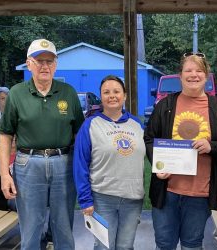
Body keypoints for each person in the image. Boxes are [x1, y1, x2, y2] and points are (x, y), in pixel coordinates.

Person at [144, 52, 217, 250]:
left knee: (192, 245)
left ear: (206, 75)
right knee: (164, 245)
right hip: (167, 190)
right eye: (188, 70)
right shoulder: (165, 106)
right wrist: (158, 164)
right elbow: (149, 139)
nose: (193, 75)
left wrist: (212, 146)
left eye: (199, 70)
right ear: (180, 75)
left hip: (200, 192)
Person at [0, 38, 84, 250]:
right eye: (39, 61)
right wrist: (4, 174)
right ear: (29, 64)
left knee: (63, 228)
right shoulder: (16, 93)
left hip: (63, 163)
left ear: (55, 65)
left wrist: (84, 170)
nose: (45, 66)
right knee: (31, 229)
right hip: (28, 165)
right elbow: (5, 135)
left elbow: (81, 136)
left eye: (49, 61)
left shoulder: (68, 93)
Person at [73, 75, 145, 250]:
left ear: (124, 95)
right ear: (101, 97)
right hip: (102, 197)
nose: (112, 95)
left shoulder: (136, 124)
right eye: (106, 92)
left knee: (126, 246)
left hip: (133, 198)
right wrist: (85, 200)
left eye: (116, 91)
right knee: (104, 246)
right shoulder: (91, 125)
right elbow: (80, 164)